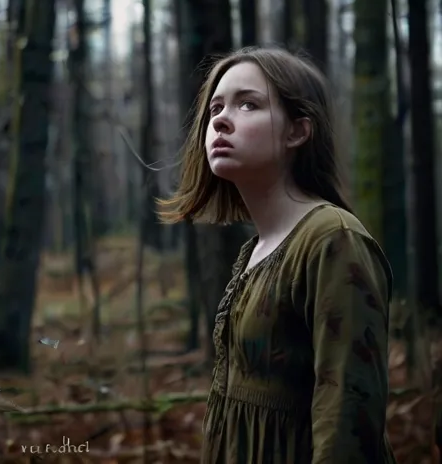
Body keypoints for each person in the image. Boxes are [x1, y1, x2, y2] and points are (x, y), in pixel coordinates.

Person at [157, 47, 397, 463]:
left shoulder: (331, 240)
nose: (220, 119)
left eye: (248, 104)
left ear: (297, 132)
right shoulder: (257, 249)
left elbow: (348, 410)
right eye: (216, 107)